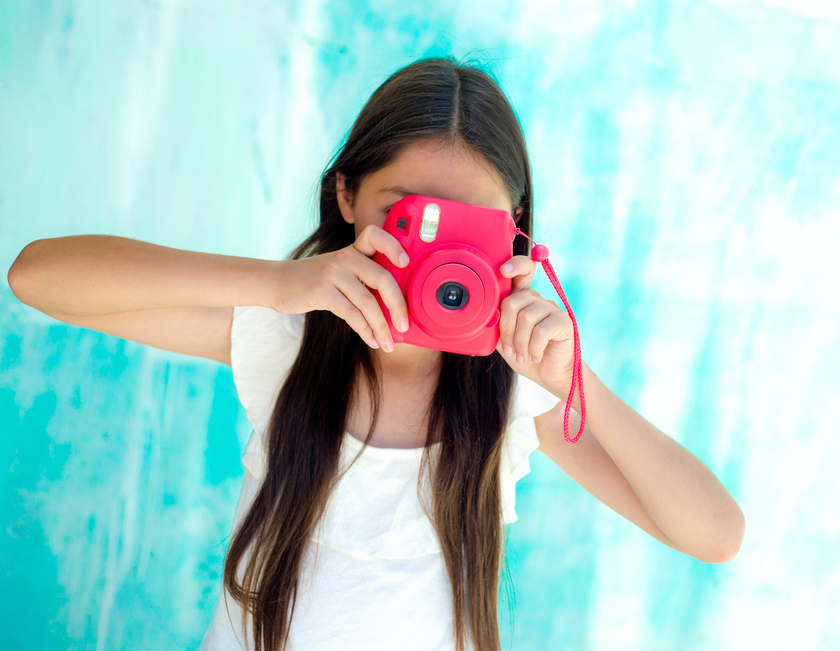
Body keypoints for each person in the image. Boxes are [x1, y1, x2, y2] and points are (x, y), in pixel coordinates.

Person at [7, 56, 745, 651]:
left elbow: (713, 534)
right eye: (407, 216)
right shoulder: (284, 333)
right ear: (346, 197)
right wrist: (277, 282)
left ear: (514, 230)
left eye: (468, 228)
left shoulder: (515, 390)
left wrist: (573, 378)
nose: (437, 262)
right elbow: (37, 277)